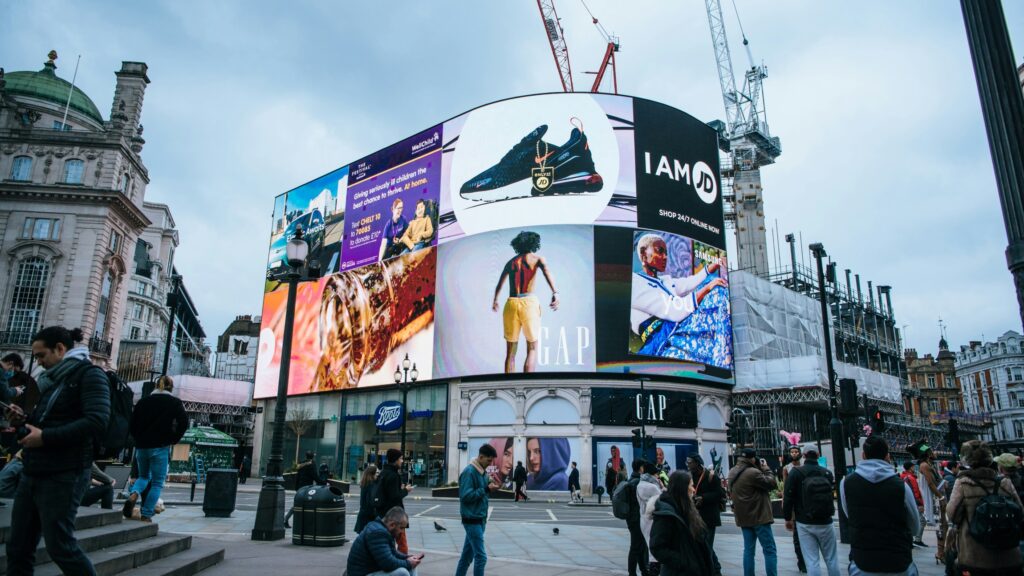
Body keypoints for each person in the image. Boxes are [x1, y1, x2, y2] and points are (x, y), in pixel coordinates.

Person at [5, 326, 110, 576]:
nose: (38, 362)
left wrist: (45, 437)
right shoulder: (52, 380)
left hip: (65, 472)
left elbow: (97, 421)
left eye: (41, 356)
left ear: (60, 349)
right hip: (35, 469)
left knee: (60, 546)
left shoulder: (89, 375)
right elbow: (46, 424)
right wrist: (22, 422)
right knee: (18, 547)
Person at [630, 234, 727, 355]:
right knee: (714, 291)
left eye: (666, 252)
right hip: (659, 337)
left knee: (715, 286)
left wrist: (713, 266)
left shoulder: (664, 280)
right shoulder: (635, 282)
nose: (665, 257)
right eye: (660, 251)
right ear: (644, 255)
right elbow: (674, 310)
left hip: (675, 326)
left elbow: (689, 283)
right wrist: (708, 288)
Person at [839, 435, 920, 576]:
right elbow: (914, 527)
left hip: (862, 561)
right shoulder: (901, 486)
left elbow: (849, 515)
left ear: (863, 455)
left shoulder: (846, 483)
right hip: (898, 560)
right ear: (887, 456)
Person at [946, 440, 1023, 575]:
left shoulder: (963, 483)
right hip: (1008, 555)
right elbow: (1020, 512)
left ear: (967, 460)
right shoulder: (1004, 482)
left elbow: (952, 515)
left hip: (975, 557)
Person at [122, 375, 188, 523]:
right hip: (160, 446)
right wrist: (173, 438)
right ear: (171, 388)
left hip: (142, 447)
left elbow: (132, 424)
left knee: (143, 476)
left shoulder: (143, 402)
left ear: (155, 386)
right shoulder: (174, 403)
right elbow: (184, 423)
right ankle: (146, 514)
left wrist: (138, 438)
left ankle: (134, 493)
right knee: (157, 483)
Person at [491, 231, 559, 374]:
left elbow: (499, 284)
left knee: (510, 352)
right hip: (529, 302)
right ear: (534, 243)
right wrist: (555, 293)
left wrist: (495, 300)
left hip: (511, 303)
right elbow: (547, 273)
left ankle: (509, 386)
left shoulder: (510, 262)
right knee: (532, 348)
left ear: (517, 245)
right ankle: (527, 385)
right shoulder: (537, 259)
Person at [782, 447, 839, 576]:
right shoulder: (827, 473)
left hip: (804, 522)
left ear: (804, 455)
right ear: (818, 455)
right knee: (832, 560)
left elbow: (788, 498)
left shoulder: (796, 473)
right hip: (826, 521)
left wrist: (788, 518)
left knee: (812, 561)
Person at [649, 470, 714, 576]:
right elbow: (657, 547)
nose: (693, 489)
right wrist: (685, 561)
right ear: (682, 488)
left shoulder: (688, 509)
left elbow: (702, 541)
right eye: (691, 486)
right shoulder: (666, 514)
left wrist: (714, 566)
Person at [727, 447, 778, 576]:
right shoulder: (752, 472)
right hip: (759, 517)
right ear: (752, 458)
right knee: (769, 550)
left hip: (744, 518)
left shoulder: (732, 471)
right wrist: (766, 468)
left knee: (749, 551)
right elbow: (772, 484)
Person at [456, 443, 501, 576]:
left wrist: (490, 485)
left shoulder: (481, 471)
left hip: (479, 518)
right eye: (488, 460)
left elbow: (480, 490)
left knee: (467, 557)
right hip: (472, 519)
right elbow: (465, 496)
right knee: (481, 557)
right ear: (481, 457)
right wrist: (487, 489)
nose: (490, 463)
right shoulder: (469, 472)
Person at [346, 506, 423, 576]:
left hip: (371, 570)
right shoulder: (377, 533)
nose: (402, 532)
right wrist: (408, 563)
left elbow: (392, 553)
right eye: (401, 528)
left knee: (413, 566)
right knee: (402, 572)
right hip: (361, 573)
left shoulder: (383, 530)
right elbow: (388, 563)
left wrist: (408, 557)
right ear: (392, 525)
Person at [689, 454, 724, 576]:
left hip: (709, 517)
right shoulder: (690, 476)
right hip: (696, 517)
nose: (688, 465)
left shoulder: (711, 476)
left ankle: (711, 571)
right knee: (704, 545)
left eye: (690, 462)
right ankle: (716, 568)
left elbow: (720, 494)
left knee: (707, 545)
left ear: (697, 463)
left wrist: (703, 498)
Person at [376, 449, 414, 554]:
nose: (402, 461)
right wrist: (406, 490)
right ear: (395, 460)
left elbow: (388, 492)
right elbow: (395, 497)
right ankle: (402, 564)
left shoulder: (384, 472)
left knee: (388, 543)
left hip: (384, 514)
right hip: (395, 516)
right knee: (402, 545)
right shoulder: (393, 475)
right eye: (401, 459)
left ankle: (391, 560)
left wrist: (399, 488)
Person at [917, 445, 946, 560]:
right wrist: (941, 497)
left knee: (943, 525)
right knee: (940, 526)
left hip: (937, 497)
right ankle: (940, 552)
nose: (935, 453)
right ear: (928, 453)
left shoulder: (929, 464)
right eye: (932, 451)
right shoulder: (924, 465)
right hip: (935, 499)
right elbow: (930, 483)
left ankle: (942, 550)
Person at [782, 444, 807, 574]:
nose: (794, 454)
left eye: (796, 451)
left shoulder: (805, 466)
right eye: (792, 452)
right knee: (797, 538)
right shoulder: (787, 468)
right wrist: (788, 515)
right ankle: (801, 563)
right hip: (794, 505)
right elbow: (786, 490)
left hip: (806, 504)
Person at [637, 460, 665, 575]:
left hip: (643, 519)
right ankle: (653, 571)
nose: (657, 475)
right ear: (652, 474)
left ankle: (650, 570)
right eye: (656, 473)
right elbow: (662, 500)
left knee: (650, 546)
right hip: (652, 520)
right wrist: (662, 488)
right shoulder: (652, 487)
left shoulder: (640, 484)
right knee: (654, 548)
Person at [623, 460, 649, 576]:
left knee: (640, 545)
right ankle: (632, 572)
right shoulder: (638, 482)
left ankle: (643, 570)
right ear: (641, 468)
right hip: (636, 518)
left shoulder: (631, 480)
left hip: (632, 518)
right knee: (636, 546)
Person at [899, 460, 927, 547]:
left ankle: (910, 540)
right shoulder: (910, 478)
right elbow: (915, 492)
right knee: (922, 521)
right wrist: (920, 504)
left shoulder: (902, 476)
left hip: (905, 503)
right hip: (914, 503)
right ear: (910, 468)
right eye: (913, 466)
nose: (914, 468)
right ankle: (917, 540)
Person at [354, 464, 380, 533]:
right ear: (372, 474)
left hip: (364, 517)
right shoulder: (371, 485)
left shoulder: (366, 484)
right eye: (377, 473)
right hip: (368, 519)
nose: (378, 474)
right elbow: (369, 503)